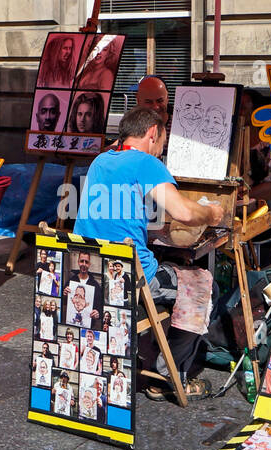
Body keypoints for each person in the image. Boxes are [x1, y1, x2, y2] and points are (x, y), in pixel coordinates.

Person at [73, 105, 224, 402]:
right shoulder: (145, 162)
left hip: (90, 271)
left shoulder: (101, 161)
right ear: (153, 133)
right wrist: (211, 212)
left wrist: (148, 231)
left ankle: (156, 353)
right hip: (131, 278)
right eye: (163, 143)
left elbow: (110, 215)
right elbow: (182, 211)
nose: (161, 151)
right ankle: (170, 373)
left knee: (173, 270)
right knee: (204, 287)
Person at [63, 250, 103, 316]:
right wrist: (64, 295)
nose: (84, 264)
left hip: (88, 324)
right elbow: (64, 304)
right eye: (82, 261)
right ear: (78, 262)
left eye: (86, 262)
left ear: (89, 264)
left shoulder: (95, 285)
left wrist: (98, 313)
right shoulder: (70, 282)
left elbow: (100, 307)